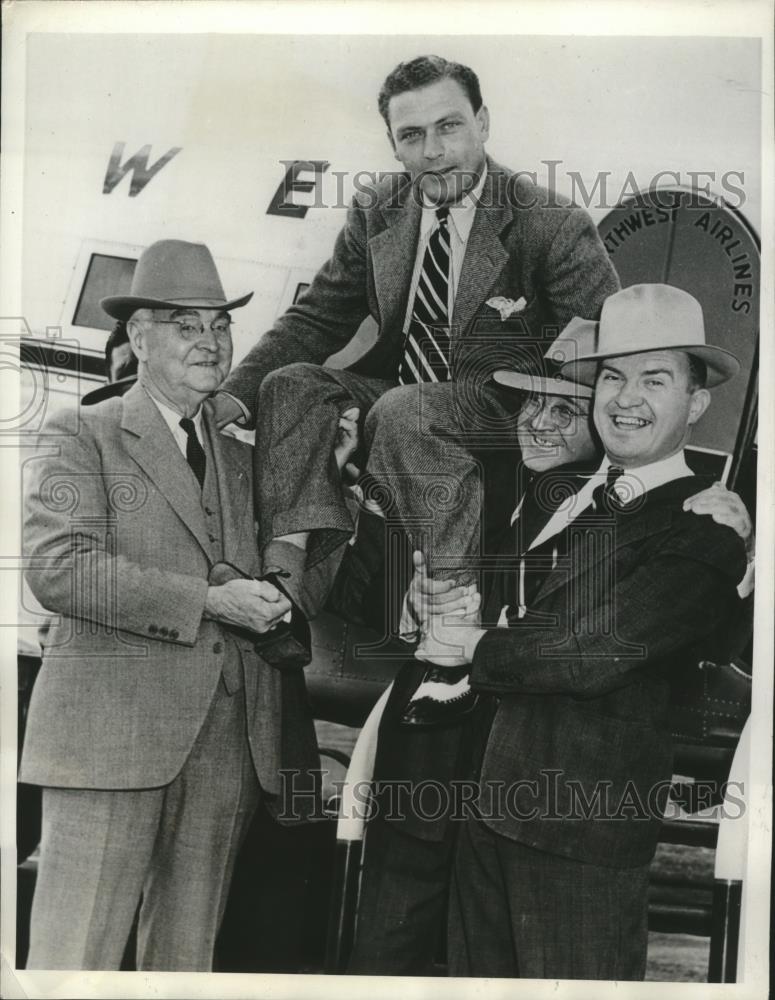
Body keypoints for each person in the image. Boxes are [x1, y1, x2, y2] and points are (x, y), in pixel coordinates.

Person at [328, 311, 753, 975]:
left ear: (696, 403)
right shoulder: (540, 492)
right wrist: (416, 602)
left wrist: (469, 644)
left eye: (653, 380)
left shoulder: (702, 521)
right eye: (611, 377)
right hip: (457, 802)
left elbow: (598, 649)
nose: (624, 397)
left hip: (568, 824)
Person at [214, 53, 621, 722]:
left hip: (507, 410)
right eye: (411, 136)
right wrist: (231, 397)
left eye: (448, 127)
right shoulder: (379, 208)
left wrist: (561, 426)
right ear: (393, 144)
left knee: (406, 410)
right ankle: (283, 592)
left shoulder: (548, 221)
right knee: (292, 387)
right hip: (406, 401)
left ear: (482, 124)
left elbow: (609, 347)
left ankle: (451, 617)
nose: (432, 152)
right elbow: (319, 315)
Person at [20, 239, 339, 971]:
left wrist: (323, 515)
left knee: (182, 968)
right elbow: (60, 569)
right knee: (74, 963)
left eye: (220, 325)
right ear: (137, 337)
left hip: (226, 746)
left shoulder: (246, 453)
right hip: (107, 742)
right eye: (184, 325)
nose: (210, 341)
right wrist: (208, 601)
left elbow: (297, 583)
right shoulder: (82, 431)